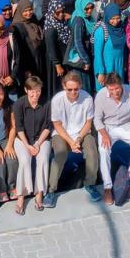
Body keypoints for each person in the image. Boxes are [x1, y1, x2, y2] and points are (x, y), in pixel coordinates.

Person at [48, 71, 100, 206]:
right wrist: (71, 142)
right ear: (64, 86)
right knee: (60, 154)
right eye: (69, 89)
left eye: (76, 89)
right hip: (61, 133)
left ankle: (90, 184)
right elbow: (57, 125)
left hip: (82, 132)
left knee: (93, 153)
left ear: (81, 86)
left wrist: (78, 138)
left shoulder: (87, 98)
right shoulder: (57, 100)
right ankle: (51, 190)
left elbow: (88, 123)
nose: (73, 92)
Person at [93, 73, 130, 205]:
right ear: (106, 87)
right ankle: (107, 187)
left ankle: (129, 181)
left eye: (117, 88)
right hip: (108, 127)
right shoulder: (100, 95)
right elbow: (97, 119)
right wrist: (104, 135)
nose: (115, 92)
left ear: (121, 85)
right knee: (103, 149)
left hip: (126, 124)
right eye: (111, 89)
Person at [12, 76, 52, 214]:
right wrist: (28, 145)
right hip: (23, 139)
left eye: (38, 91)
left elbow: (48, 126)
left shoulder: (47, 103)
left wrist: (38, 144)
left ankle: (39, 194)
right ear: (26, 90)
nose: (35, 95)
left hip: (41, 139)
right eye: (32, 92)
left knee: (43, 159)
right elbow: (19, 127)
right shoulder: (19, 104)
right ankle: (21, 197)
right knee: (25, 161)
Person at [65, 0, 97, 92]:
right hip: (81, 61)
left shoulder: (88, 19)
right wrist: (86, 60)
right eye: (86, 8)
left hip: (85, 57)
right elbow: (77, 42)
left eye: (91, 7)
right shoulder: (79, 20)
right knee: (83, 88)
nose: (89, 10)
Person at [12, 0, 46, 84]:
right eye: (25, 11)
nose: (28, 13)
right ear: (20, 11)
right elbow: (19, 52)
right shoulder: (17, 27)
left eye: (30, 9)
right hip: (28, 63)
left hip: (38, 60)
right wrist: (26, 69)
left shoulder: (33, 19)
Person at [93, 2, 128, 87]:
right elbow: (97, 53)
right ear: (107, 16)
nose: (115, 21)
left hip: (118, 67)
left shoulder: (121, 29)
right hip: (106, 68)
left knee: (118, 91)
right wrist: (101, 72)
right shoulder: (101, 30)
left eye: (118, 18)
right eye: (112, 18)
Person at [43, 0, 72, 97]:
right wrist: (57, 65)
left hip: (62, 59)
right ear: (52, 12)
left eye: (62, 11)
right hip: (56, 63)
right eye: (57, 12)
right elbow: (51, 48)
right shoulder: (50, 28)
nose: (61, 14)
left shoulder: (61, 23)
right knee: (57, 87)